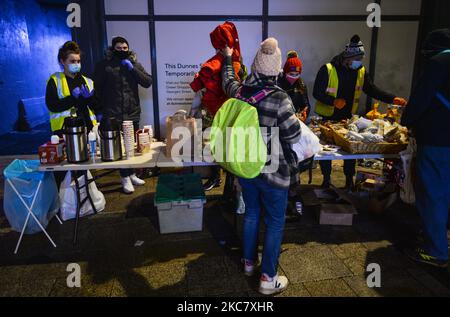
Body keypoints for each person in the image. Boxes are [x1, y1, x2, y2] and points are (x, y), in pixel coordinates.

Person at [222, 38, 301, 295]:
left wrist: (227, 57)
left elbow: (228, 81)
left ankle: (248, 263)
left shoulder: (240, 92)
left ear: (255, 67)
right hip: (274, 171)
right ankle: (268, 278)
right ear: (277, 71)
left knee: (252, 213)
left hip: (247, 168)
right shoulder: (281, 98)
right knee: (275, 221)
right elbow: (293, 136)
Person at [313, 34, 408, 190]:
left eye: (360, 59)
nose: (359, 62)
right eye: (357, 59)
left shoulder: (360, 71)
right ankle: (326, 179)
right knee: (327, 152)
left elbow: (371, 89)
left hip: (348, 118)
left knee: (351, 151)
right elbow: (317, 92)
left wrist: (392, 98)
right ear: (348, 57)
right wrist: (333, 101)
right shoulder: (328, 70)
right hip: (328, 119)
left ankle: (349, 179)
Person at [402, 29, 450, 268]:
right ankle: (439, 238)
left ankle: (436, 251)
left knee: (433, 195)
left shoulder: (439, 62)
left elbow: (420, 100)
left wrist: (406, 120)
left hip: (438, 142)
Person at [94, 36, 152, 194]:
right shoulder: (104, 66)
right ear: (113, 49)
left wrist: (132, 69)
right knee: (118, 147)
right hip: (112, 114)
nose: (122, 51)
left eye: (124, 48)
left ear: (128, 49)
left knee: (131, 146)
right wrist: (98, 111)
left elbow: (147, 82)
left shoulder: (133, 64)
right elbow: (96, 89)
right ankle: (124, 177)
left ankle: (131, 174)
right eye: (118, 48)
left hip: (132, 112)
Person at [45, 41, 98, 136]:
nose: (77, 64)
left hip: (89, 130)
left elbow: (97, 107)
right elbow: (52, 106)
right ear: (62, 61)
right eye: (72, 61)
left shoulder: (88, 81)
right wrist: (72, 98)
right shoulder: (55, 80)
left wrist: (90, 99)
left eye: (78, 61)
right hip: (65, 132)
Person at [278, 50, 310, 122]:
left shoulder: (301, 84)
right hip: (279, 123)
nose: (294, 77)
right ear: (285, 72)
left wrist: (304, 113)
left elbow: (306, 104)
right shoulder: (277, 83)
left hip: (295, 121)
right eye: (291, 74)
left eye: (297, 74)